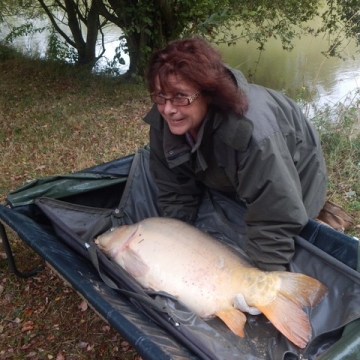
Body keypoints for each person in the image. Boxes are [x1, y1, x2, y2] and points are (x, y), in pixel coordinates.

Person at [143, 36, 327, 271]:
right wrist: (180, 241)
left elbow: (276, 216)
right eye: (160, 96)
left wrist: (261, 283)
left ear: (208, 93)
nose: (168, 109)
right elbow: (173, 189)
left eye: (181, 96)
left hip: (296, 171)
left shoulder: (251, 134)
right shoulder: (165, 118)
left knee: (286, 235)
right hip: (237, 167)